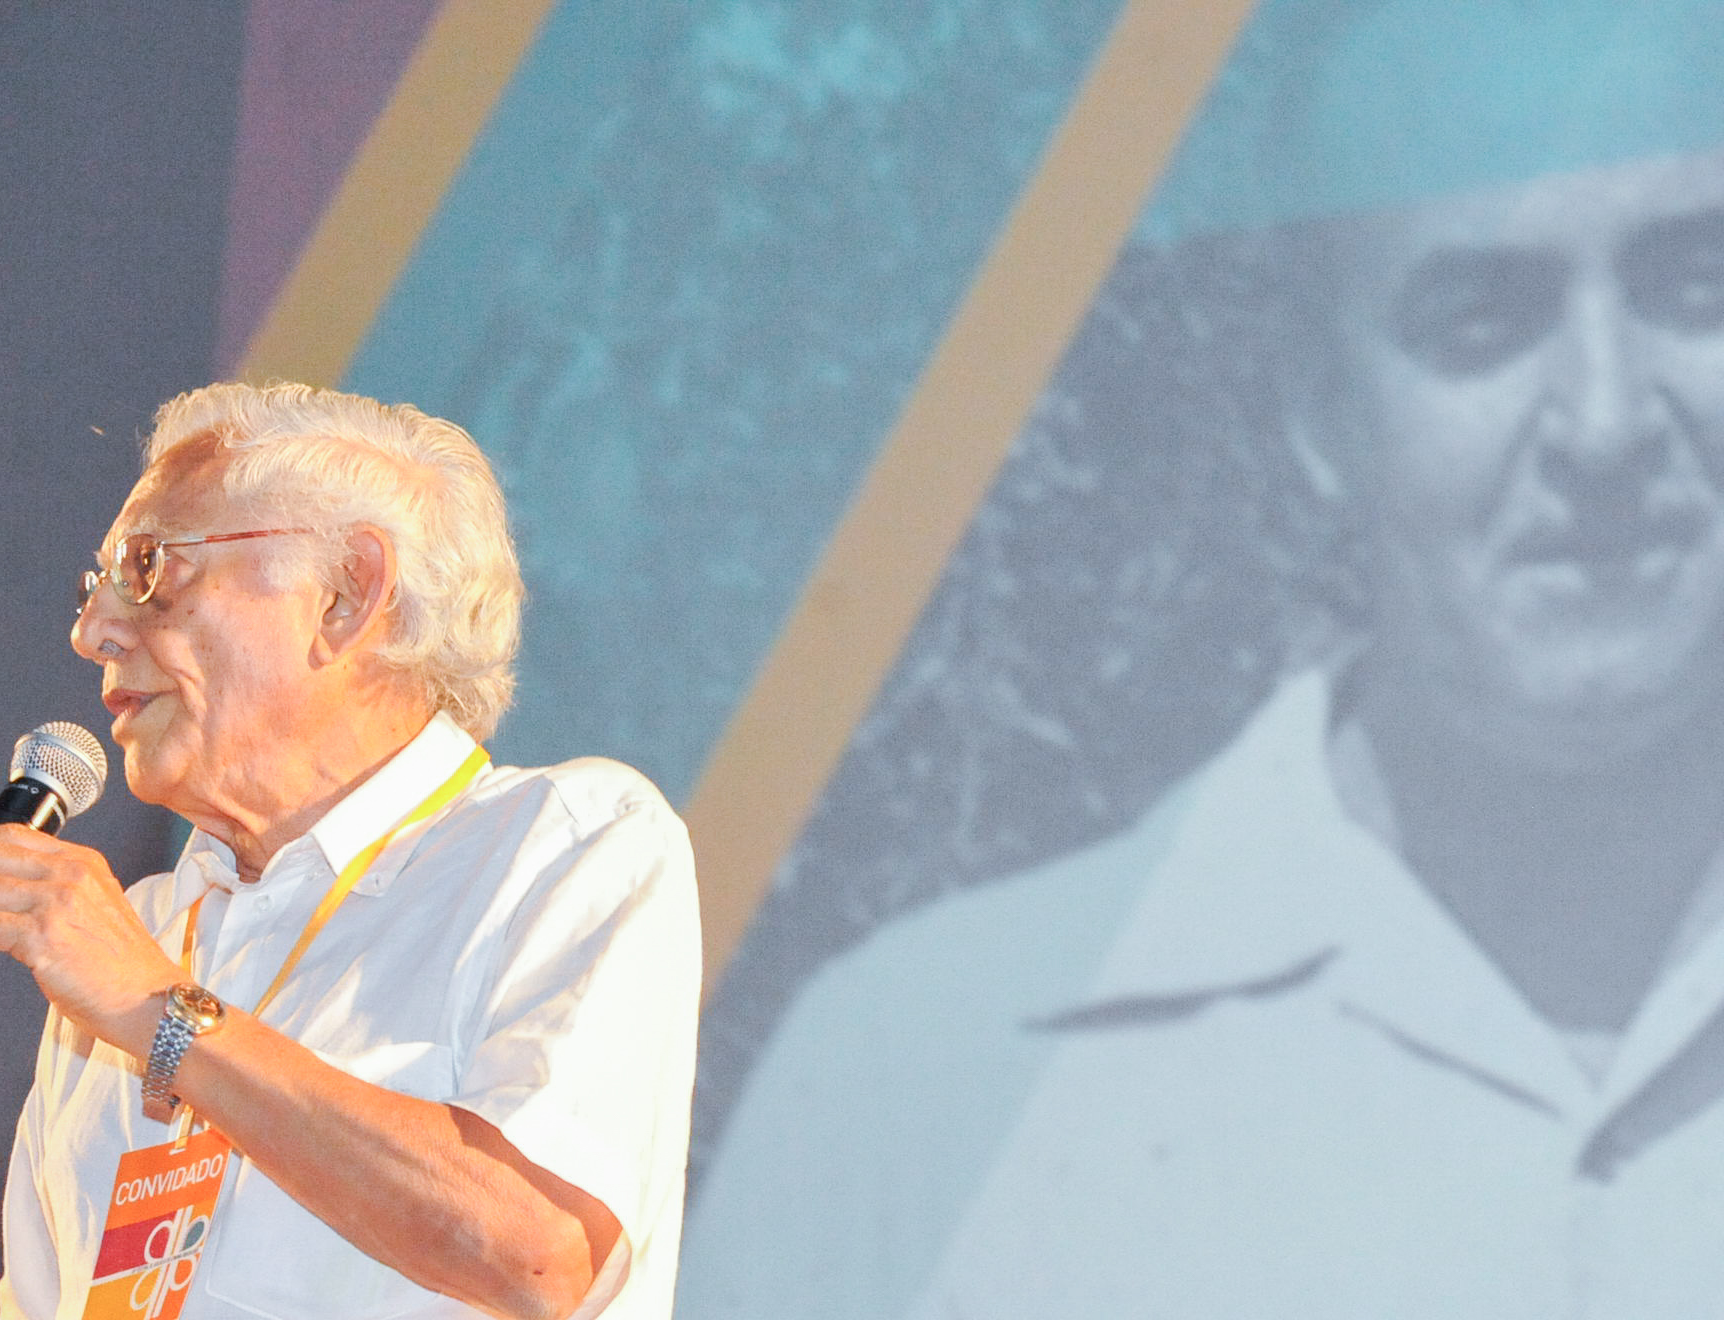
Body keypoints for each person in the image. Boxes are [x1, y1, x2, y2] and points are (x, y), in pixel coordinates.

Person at [677, 4, 1724, 1317]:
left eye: (1693, 288)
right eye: (1478, 323)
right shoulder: (912, 1086)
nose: (1606, 422)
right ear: (1322, 414)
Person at [0, 382, 700, 1320]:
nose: (93, 631)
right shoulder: (142, 929)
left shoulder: (563, 844)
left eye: (150, 568)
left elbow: (535, 1256)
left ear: (347, 593)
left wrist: (159, 1013)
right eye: (96, 585)